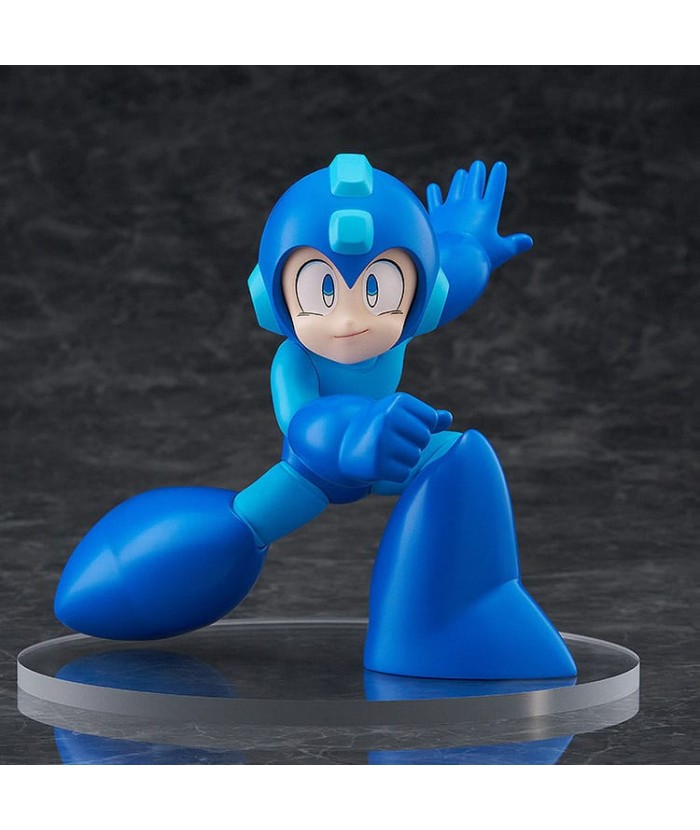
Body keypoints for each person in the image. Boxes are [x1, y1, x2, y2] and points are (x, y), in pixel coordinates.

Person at [55, 154, 576, 679]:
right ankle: (425, 635)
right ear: (272, 298)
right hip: (310, 474)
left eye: (377, 289)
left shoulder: (413, 315)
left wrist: (465, 239)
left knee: (463, 461)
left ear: (421, 295)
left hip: (392, 447)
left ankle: (457, 615)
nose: (349, 319)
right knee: (239, 528)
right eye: (322, 290)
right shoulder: (294, 361)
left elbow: (454, 274)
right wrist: (358, 437)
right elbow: (303, 423)